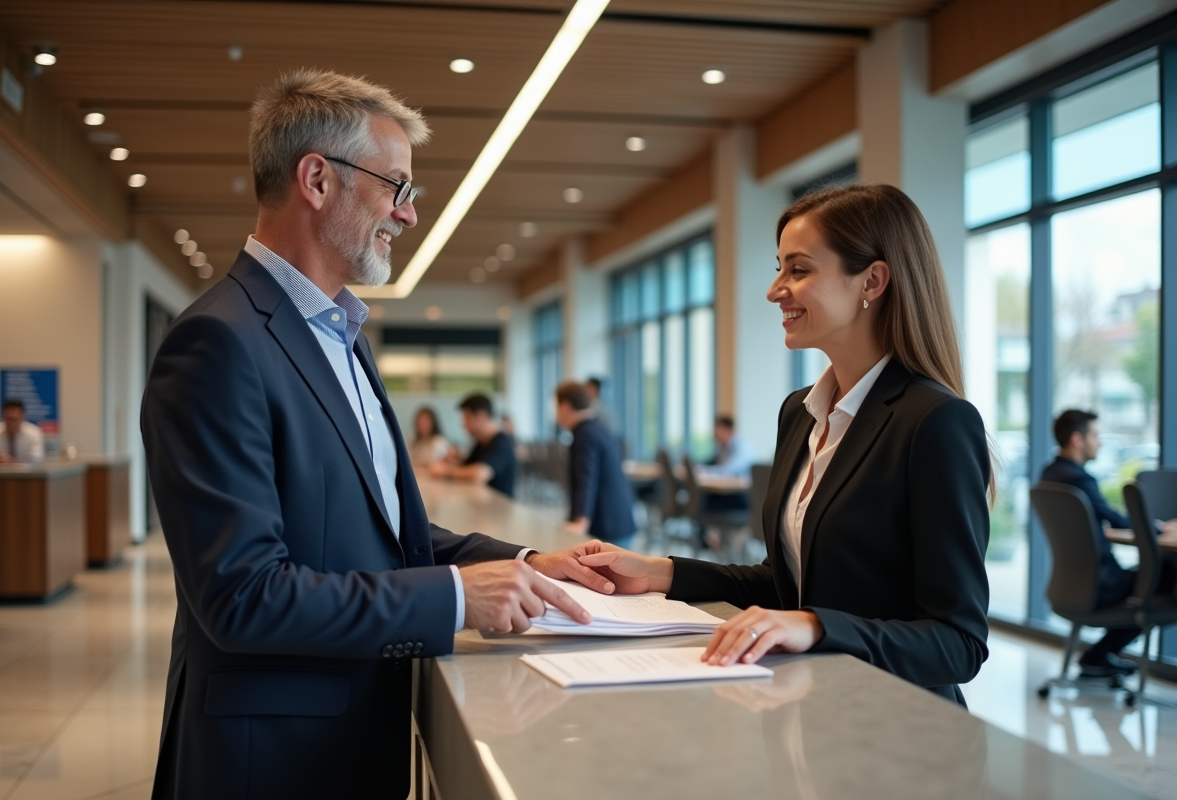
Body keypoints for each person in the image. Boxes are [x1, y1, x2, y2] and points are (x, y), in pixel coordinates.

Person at [140, 69, 613, 800]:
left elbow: (381, 535)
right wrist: (457, 598)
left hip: (353, 731)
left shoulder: (343, 335)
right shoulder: (217, 342)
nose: (408, 215)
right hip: (270, 757)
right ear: (318, 179)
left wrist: (523, 561)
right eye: (397, 187)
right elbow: (242, 596)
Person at [580, 184, 992, 707]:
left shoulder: (935, 422)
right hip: (812, 704)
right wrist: (659, 572)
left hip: (897, 725)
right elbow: (790, 583)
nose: (776, 290)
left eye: (798, 270)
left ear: (873, 280)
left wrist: (816, 628)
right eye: (779, 268)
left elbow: (958, 644)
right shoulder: (799, 412)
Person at [1040, 409, 1176, 677]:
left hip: (1072, 584)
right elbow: (1115, 519)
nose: (1099, 442)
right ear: (1077, 439)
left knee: (1159, 572)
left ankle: (1099, 656)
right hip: (1102, 584)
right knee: (1167, 573)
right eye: (1096, 435)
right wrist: (1160, 527)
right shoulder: (1078, 479)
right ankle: (1099, 655)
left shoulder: (1051, 474)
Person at [555, 381, 636, 544]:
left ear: (565, 406)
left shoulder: (584, 435)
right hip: (618, 521)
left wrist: (580, 522)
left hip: (608, 527)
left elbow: (586, 477)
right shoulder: (597, 429)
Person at [429, 393, 517, 497]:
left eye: (466, 419)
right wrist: (451, 461)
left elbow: (479, 474)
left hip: (499, 509)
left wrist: (446, 472)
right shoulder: (481, 442)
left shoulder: (502, 442)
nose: (463, 425)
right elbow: (467, 466)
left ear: (480, 417)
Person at [0, 399, 44, 466]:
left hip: (26, 476)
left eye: (14, 419)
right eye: (8, 419)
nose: (11, 424)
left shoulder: (34, 433)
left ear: (22, 417)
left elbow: (37, 462)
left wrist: (12, 463)